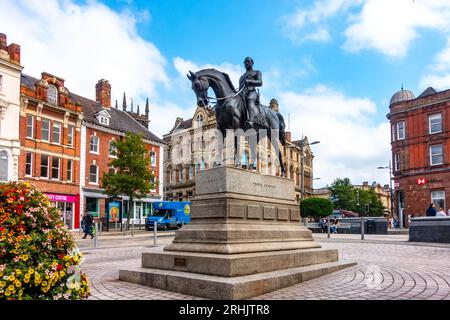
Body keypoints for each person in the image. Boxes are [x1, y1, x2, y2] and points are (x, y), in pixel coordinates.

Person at [239, 57, 263, 128]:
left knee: (249, 99)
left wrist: (250, 82)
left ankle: (251, 121)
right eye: (245, 62)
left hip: (252, 92)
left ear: (252, 63)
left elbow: (260, 82)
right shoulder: (241, 77)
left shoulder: (257, 72)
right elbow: (240, 88)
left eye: (248, 61)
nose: (247, 63)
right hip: (242, 94)